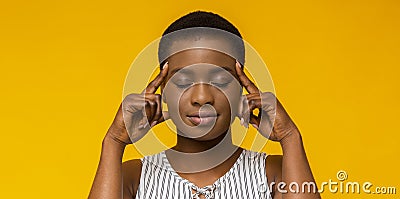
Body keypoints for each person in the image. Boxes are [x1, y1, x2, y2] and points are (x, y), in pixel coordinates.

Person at [88, 11, 321, 199]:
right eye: (183, 81)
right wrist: (114, 142)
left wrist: (290, 137)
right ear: (163, 91)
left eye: (220, 80)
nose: (202, 97)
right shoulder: (133, 178)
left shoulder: (274, 173)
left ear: (241, 89)